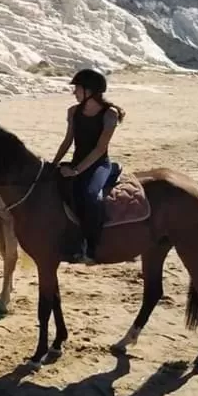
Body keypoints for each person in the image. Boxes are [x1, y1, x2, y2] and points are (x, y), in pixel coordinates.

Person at [50, 68, 125, 264]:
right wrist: (54, 164)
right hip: (76, 163)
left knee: (91, 195)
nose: (74, 92)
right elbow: (67, 141)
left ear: (90, 91)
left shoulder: (110, 114)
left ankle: (92, 247)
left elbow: (100, 149)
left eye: (77, 88)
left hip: (99, 165)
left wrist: (75, 171)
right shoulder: (73, 112)